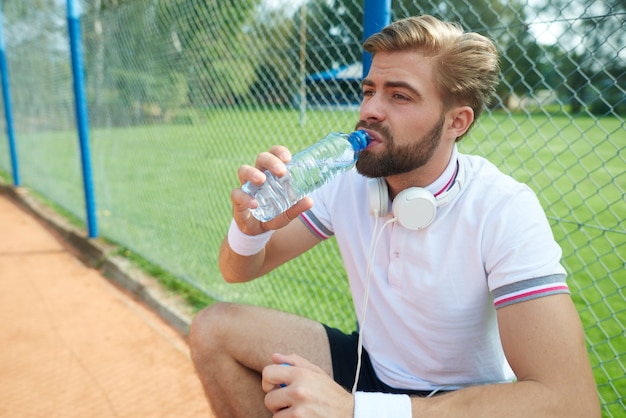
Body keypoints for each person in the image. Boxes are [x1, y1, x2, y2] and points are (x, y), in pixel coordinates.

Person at [189, 15, 600, 418]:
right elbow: (237, 270)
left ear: (456, 122)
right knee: (214, 330)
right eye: (370, 91)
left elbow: (570, 403)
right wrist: (250, 231)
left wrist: (359, 410)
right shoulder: (346, 178)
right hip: (371, 368)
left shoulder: (503, 208)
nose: (371, 110)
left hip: (463, 400)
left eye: (399, 96)